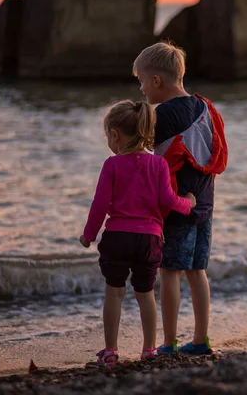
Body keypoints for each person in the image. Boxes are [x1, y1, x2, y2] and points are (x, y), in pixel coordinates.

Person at [79, 100, 196, 366]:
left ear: (115, 135)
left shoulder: (112, 165)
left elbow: (100, 205)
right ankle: (149, 349)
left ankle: (110, 350)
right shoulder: (158, 165)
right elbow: (168, 201)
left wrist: (89, 235)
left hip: (117, 238)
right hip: (149, 240)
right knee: (145, 295)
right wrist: (188, 204)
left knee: (114, 293)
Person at [132, 42, 228, 355]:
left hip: (178, 206)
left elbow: (153, 160)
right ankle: (201, 340)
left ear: (157, 81)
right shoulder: (205, 107)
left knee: (169, 271)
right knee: (197, 270)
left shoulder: (164, 115)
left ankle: (169, 343)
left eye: (142, 81)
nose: (143, 89)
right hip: (205, 203)